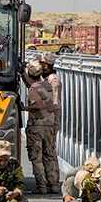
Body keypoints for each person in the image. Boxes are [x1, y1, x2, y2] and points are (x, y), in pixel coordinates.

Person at [23, 61, 59, 193]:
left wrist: (24, 108)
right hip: (49, 125)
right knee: (49, 155)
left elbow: (38, 105)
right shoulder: (48, 85)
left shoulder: (34, 89)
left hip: (36, 126)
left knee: (36, 157)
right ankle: (53, 184)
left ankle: (41, 186)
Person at [39, 52, 62, 133]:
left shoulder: (53, 80)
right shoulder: (44, 78)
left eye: (40, 63)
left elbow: (55, 103)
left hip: (49, 123)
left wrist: (53, 123)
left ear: (45, 66)